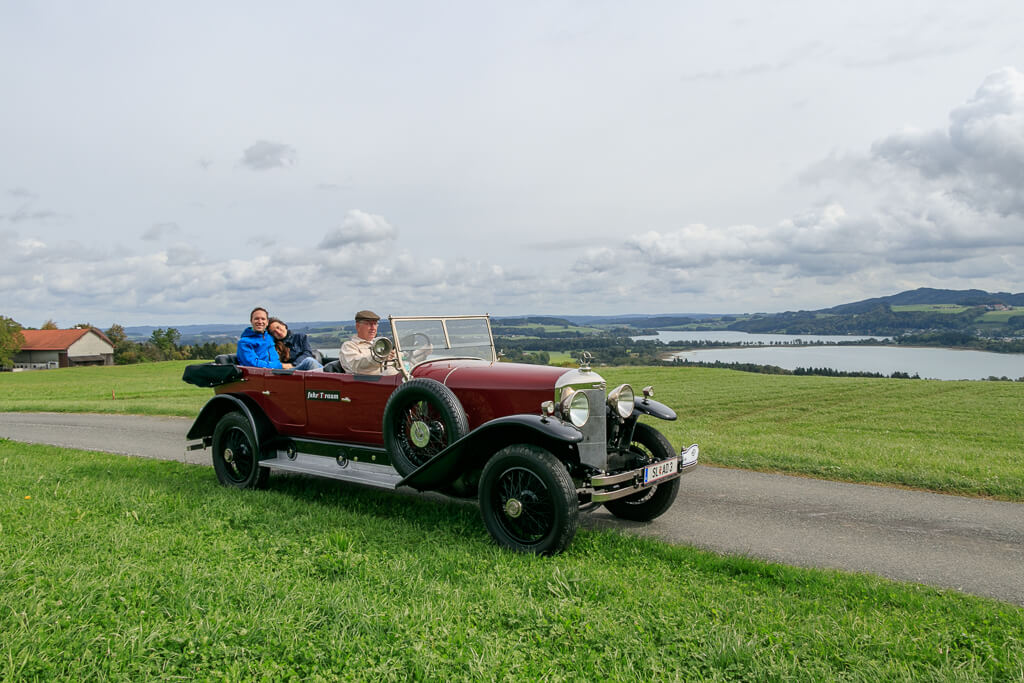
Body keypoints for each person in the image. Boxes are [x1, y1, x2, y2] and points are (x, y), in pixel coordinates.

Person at [339, 310, 398, 375]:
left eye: (375, 324)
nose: (373, 328)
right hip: (366, 382)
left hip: (393, 380)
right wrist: (381, 357)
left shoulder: (380, 343)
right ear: (358, 326)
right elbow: (357, 366)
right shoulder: (349, 346)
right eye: (369, 324)